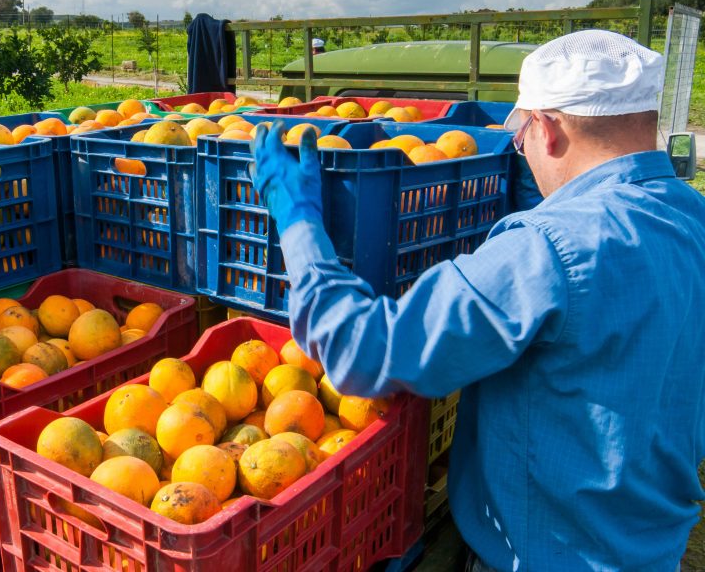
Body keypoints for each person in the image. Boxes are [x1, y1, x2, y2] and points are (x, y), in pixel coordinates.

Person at [250, 29, 705, 571]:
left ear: (548, 129)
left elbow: (362, 353)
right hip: (652, 550)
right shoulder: (691, 218)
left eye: (521, 138)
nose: (524, 153)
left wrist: (298, 222)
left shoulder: (544, 250)